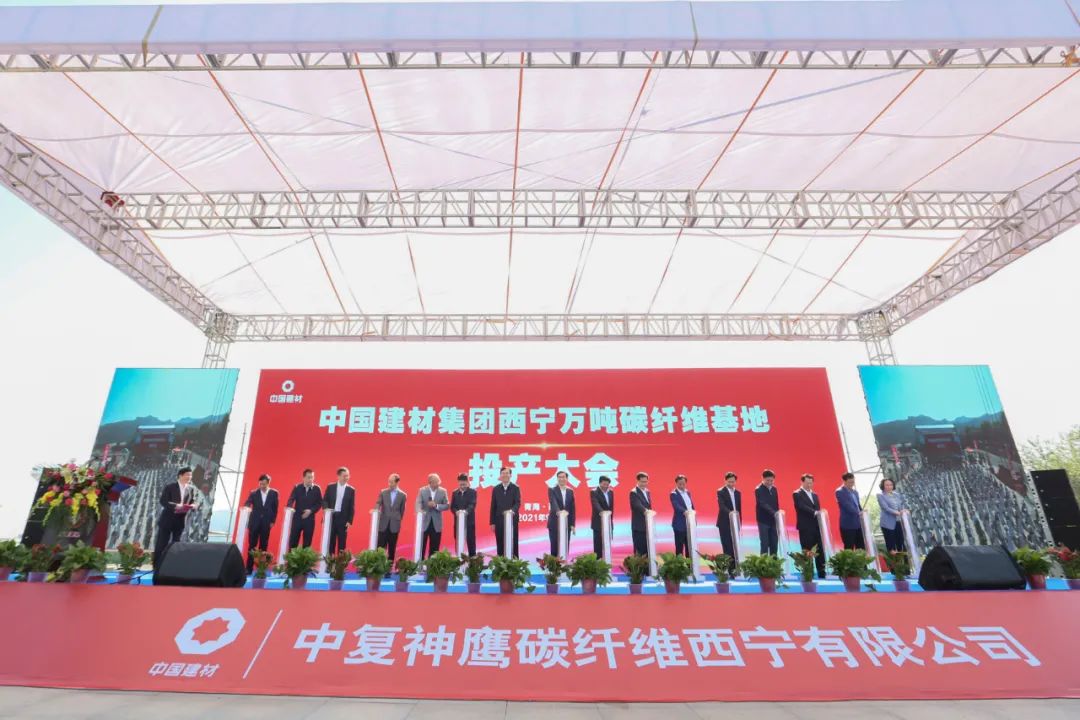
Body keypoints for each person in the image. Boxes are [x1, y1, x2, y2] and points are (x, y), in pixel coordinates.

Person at [154, 466, 196, 570]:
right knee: (161, 544)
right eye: (187, 475)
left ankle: (172, 567)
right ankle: (157, 567)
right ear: (180, 475)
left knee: (176, 545)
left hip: (180, 521)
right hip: (167, 520)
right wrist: (176, 506)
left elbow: (192, 501)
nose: (189, 477)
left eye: (191, 475)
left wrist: (194, 505)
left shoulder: (191, 489)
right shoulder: (170, 487)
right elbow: (163, 501)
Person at [793, 473, 826, 579]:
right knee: (807, 550)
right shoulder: (797, 493)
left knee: (820, 550)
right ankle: (808, 573)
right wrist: (814, 512)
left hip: (816, 526)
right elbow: (801, 506)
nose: (809, 485)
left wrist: (820, 513)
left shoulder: (815, 495)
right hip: (805, 527)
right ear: (802, 482)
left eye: (811, 483)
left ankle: (822, 572)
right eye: (807, 483)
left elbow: (818, 508)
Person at [244, 473, 279, 573]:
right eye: (260, 484)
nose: (262, 486)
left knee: (263, 546)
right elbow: (248, 502)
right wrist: (246, 507)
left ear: (268, 483)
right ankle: (249, 568)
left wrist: (272, 521)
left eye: (264, 484)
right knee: (252, 545)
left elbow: (275, 508)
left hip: (266, 523)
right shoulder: (253, 493)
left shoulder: (274, 493)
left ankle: (261, 569)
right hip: (254, 523)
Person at [287, 468, 322, 550]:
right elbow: (291, 499)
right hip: (297, 519)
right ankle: (291, 558)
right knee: (293, 542)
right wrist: (289, 508)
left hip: (309, 519)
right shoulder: (297, 487)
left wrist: (311, 511)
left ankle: (305, 558)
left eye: (312, 477)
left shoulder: (317, 489)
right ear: (303, 478)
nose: (310, 479)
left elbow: (319, 503)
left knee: (307, 543)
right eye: (308, 477)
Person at [489, 467, 521, 557]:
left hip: (512, 520)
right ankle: (500, 562)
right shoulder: (496, 489)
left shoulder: (515, 488)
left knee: (513, 541)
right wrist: (492, 522)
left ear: (510, 475)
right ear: (500, 475)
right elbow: (493, 506)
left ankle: (514, 561)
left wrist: (512, 511)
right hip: (499, 520)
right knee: (500, 541)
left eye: (507, 473)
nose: (505, 475)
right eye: (503, 473)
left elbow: (517, 503)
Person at [375, 473, 406, 565]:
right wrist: (376, 509)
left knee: (392, 547)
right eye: (389, 482)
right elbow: (378, 503)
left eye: (392, 482)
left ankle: (389, 566)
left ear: (397, 482)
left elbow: (402, 510)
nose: (389, 484)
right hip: (383, 523)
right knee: (380, 546)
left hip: (395, 525)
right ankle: (378, 565)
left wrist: (397, 520)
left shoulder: (403, 495)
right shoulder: (383, 492)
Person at [323, 467, 355, 554]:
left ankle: (340, 561)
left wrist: (350, 521)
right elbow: (325, 500)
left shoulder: (351, 489)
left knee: (342, 542)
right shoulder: (331, 487)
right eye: (344, 476)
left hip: (343, 519)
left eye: (348, 476)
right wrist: (326, 509)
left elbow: (351, 506)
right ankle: (329, 560)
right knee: (330, 541)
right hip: (331, 517)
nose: (346, 478)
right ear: (338, 476)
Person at [417, 473, 449, 557]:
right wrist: (420, 511)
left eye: (438, 482)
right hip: (424, 522)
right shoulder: (422, 490)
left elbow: (447, 505)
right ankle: (420, 562)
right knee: (421, 545)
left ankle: (432, 563)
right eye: (435, 482)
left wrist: (436, 506)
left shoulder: (443, 491)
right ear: (430, 482)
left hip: (436, 523)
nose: (438, 484)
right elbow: (418, 503)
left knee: (434, 547)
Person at [547, 470, 577, 556]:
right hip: (554, 523)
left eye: (563, 477)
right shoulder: (552, 489)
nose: (561, 479)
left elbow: (572, 509)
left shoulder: (570, 491)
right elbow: (553, 502)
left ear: (567, 479)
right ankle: (554, 564)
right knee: (554, 546)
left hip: (566, 524)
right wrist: (559, 512)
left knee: (565, 546)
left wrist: (572, 524)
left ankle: (564, 563)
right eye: (559, 477)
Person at [835, 472, 864, 550]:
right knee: (849, 548)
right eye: (850, 482)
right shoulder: (839, 492)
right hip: (847, 525)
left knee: (861, 547)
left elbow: (858, 505)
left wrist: (863, 512)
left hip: (858, 524)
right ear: (844, 481)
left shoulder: (855, 492)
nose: (852, 484)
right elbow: (847, 505)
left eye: (853, 482)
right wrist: (858, 512)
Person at [716, 471, 741, 559]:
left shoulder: (738, 493)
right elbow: (722, 506)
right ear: (725, 481)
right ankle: (728, 565)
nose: (731, 484)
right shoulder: (720, 492)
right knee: (727, 545)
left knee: (735, 544)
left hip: (735, 522)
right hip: (724, 522)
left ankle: (735, 564)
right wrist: (730, 513)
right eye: (729, 482)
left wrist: (739, 522)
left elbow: (739, 509)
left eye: (733, 482)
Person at [450, 473, 477, 556]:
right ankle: (459, 558)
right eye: (461, 484)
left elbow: (472, 504)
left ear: (467, 482)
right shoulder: (455, 493)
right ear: (458, 482)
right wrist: (456, 512)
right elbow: (452, 506)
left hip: (469, 521)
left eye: (464, 484)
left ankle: (473, 560)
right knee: (458, 540)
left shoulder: (472, 492)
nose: (462, 486)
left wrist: (465, 512)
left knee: (471, 541)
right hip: (458, 522)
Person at [755, 470, 780, 556]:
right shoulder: (758, 489)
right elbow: (762, 503)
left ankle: (774, 562)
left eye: (771, 480)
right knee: (765, 543)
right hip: (763, 521)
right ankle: (763, 563)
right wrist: (774, 513)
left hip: (774, 521)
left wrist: (777, 514)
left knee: (774, 543)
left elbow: (776, 504)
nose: (770, 482)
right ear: (762, 478)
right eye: (767, 480)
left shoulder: (774, 489)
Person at [877, 478, 906, 552]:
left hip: (898, 521)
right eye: (887, 485)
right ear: (883, 486)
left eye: (891, 485)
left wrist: (903, 510)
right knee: (891, 546)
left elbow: (900, 506)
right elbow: (885, 508)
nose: (889, 487)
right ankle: (893, 559)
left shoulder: (897, 495)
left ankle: (903, 558)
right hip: (887, 524)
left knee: (900, 543)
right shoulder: (880, 495)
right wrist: (897, 513)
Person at [669, 474, 694, 557]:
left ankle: (689, 563)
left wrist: (693, 514)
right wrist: (685, 511)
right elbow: (676, 506)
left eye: (683, 483)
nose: (682, 485)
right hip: (679, 524)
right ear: (676, 483)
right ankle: (679, 564)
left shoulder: (688, 492)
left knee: (689, 546)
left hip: (690, 523)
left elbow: (691, 505)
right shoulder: (673, 494)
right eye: (680, 484)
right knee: (679, 547)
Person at [629, 472, 652, 557]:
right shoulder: (634, 492)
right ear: (638, 481)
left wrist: (650, 513)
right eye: (642, 482)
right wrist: (646, 511)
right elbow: (637, 505)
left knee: (647, 547)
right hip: (638, 525)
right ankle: (638, 564)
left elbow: (649, 505)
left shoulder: (647, 491)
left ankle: (647, 564)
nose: (644, 484)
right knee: (639, 548)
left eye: (646, 482)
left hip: (647, 524)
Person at [590, 475, 614, 557]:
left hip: (608, 523)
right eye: (604, 484)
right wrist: (602, 512)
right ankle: (598, 561)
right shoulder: (594, 492)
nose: (606, 486)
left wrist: (611, 521)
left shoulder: (611, 492)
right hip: (598, 523)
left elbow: (611, 508)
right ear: (600, 483)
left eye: (607, 484)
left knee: (607, 544)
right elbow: (595, 504)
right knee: (598, 545)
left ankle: (607, 560)